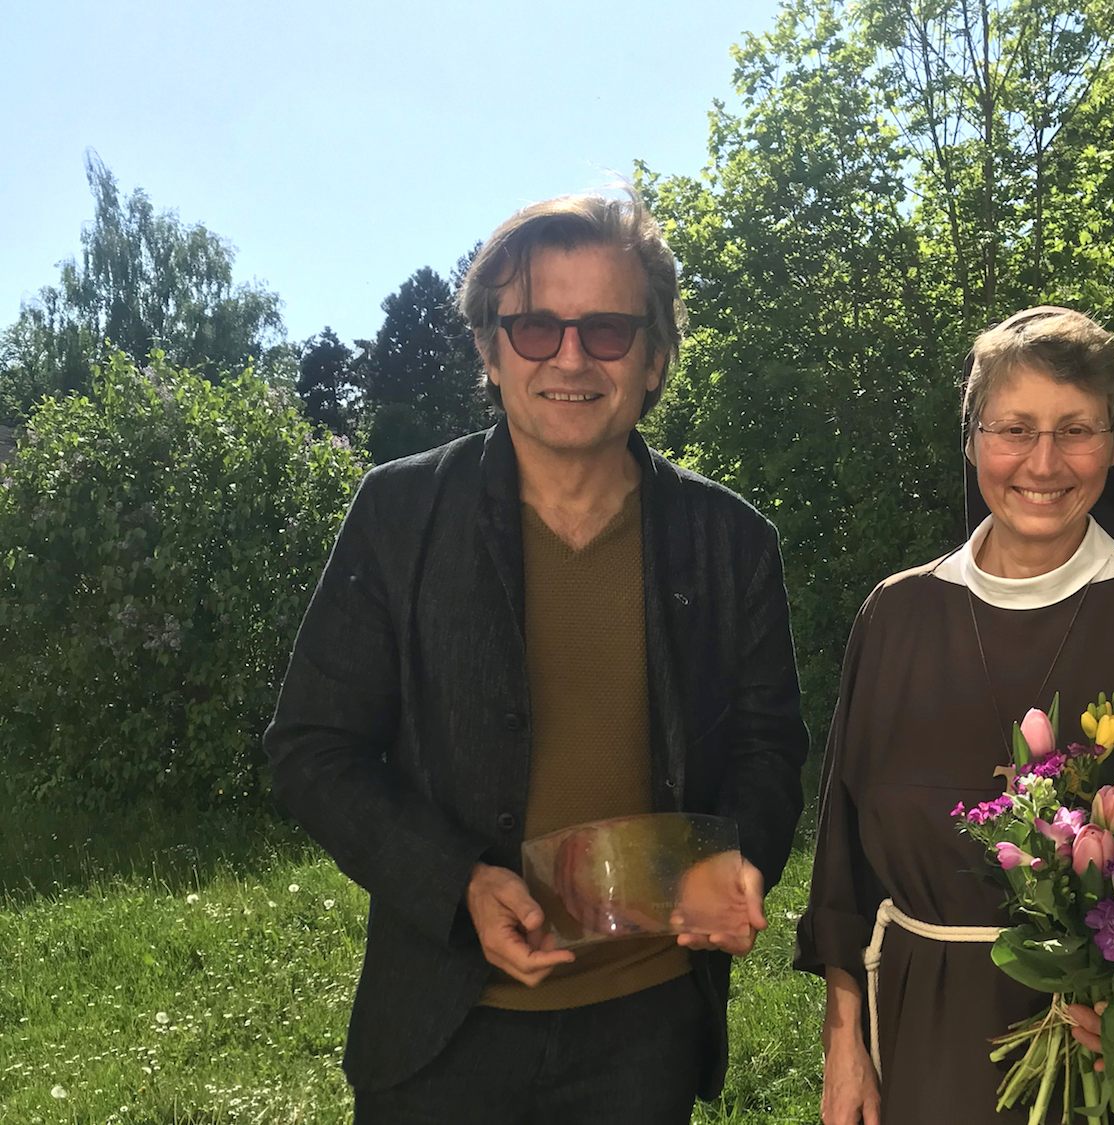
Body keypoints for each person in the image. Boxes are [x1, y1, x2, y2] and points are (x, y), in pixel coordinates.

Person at [265, 192, 808, 1124]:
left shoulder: (731, 542)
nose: (568, 356)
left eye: (605, 329)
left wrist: (739, 856)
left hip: (643, 1036)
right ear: (489, 348)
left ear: (654, 356)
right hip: (439, 1030)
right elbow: (312, 747)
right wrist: (457, 885)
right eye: (534, 327)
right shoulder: (399, 516)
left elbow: (768, 748)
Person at [794, 306, 1114, 1124]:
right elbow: (841, 860)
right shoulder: (897, 615)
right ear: (973, 438)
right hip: (923, 1029)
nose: (1043, 462)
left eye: (1075, 429)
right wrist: (845, 1043)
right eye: (1014, 428)